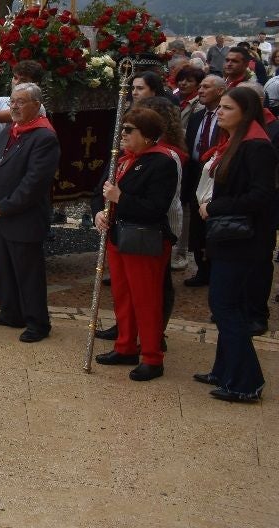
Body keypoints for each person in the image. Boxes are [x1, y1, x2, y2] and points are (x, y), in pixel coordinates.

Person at [194, 87, 278, 402]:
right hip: (230, 237)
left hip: (243, 239)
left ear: (245, 113)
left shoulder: (257, 147)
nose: (220, 112)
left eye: (227, 108)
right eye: (220, 107)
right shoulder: (236, 142)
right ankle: (225, 369)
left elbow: (261, 196)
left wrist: (214, 207)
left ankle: (246, 381)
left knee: (225, 305)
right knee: (228, 305)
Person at [94, 107, 178, 382]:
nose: (123, 134)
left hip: (144, 239)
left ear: (148, 135)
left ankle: (152, 358)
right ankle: (125, 346)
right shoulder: (121, 160)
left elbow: (155, 207)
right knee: (123, 295)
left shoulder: (162, 162)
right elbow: (100, 192)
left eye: (129, 130)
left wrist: (120, 198)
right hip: (118, 236)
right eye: (122, 128)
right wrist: (99, 213)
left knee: (146, 299)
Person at [0, 83, 60, 342]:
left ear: (36, 106)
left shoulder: (44, 137)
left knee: (28, 274)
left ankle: (37, 322)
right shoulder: (10, 130)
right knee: (3, 269)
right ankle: (10, 312)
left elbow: (34, 183)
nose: (14, 106)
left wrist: (3, 207)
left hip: (24, 217)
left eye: (21, 102)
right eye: (12, 101)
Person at [182, 74, 227, 286]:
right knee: (197, 226)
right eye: (200, 86)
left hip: (216, 176)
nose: (200, 90)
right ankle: (202, 268)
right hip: (195, 174)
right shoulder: (197, 117)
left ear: (220, 91)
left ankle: (215, 267)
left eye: (206, 87)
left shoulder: (225, 118)